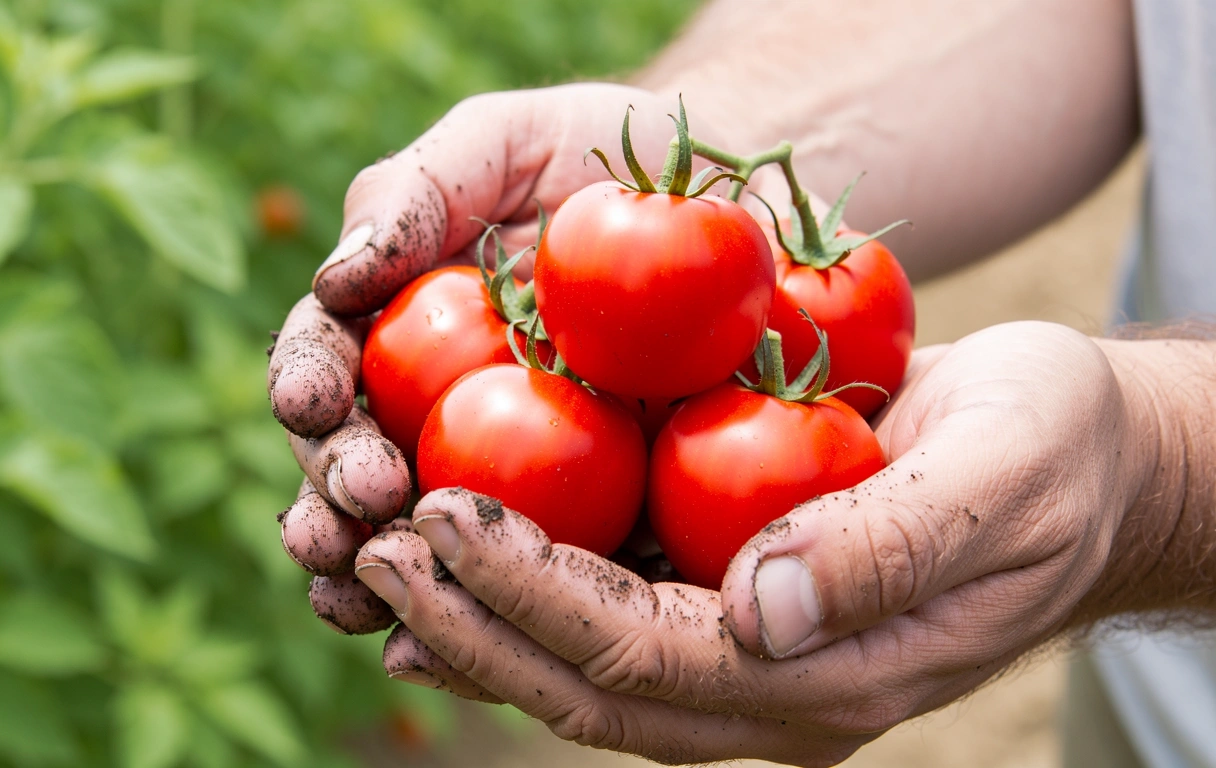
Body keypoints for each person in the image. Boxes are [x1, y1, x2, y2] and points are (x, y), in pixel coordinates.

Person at [266, 1, 1216, 765]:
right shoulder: (592, 317)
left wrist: (1163, 469)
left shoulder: (551, 368)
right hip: (1157, 705)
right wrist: (723, 132)